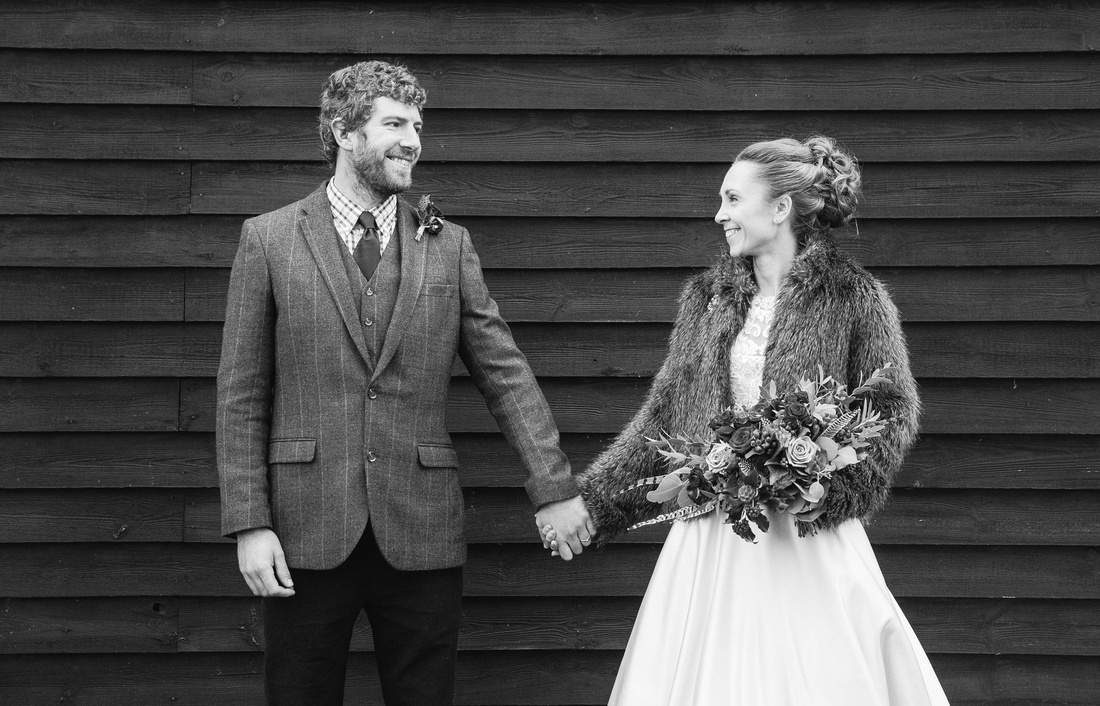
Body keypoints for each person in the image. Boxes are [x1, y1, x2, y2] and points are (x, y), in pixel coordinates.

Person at [216, 60, 595, 706]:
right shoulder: (270, 240)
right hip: (305, 530)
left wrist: (555, 489)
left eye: (417, 125)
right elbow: (242, 395)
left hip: (421, 530)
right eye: (394, 123)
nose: (413, 139)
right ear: (343, 131)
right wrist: (250, 523)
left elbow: (505, 375)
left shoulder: (447, 246)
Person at [557, 136, 950, 704]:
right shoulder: (707, 298)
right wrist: (595, 503)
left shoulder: (853, 296)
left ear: (780, 208)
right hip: (716, 532)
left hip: (806, 532)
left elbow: (891, 407)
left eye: (733, 199)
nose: (720, 214)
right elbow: (666, 414)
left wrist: (835, 485)